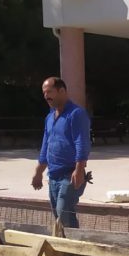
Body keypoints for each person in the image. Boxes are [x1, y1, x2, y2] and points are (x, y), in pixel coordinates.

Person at [32, 77, 90, 228]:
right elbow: (46, 146)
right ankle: (66, 241)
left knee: (63, 213)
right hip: (53, 175)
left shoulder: (76, 114)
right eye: (44, 93)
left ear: (62, 91)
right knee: (58, 217)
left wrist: (79, 170)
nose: (46, 96)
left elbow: (82, 143)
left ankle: (74, 242)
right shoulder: (49, 118)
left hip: (70, 174)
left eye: (49, 92)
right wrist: (38, 172)